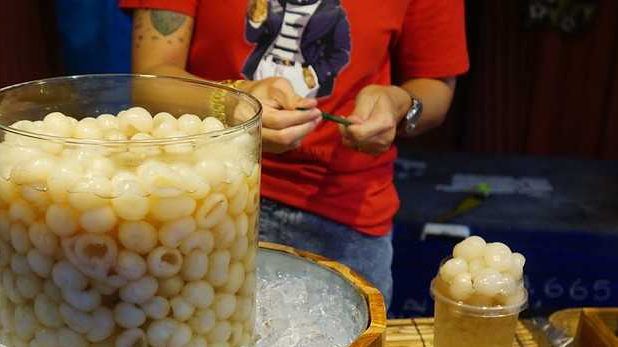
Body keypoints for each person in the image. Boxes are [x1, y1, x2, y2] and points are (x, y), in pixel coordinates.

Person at [119, 0, 469, 308]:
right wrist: (233, 101)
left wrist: (399, 106)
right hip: (205, 198)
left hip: (345, 214)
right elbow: (150, 81)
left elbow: (435, 85)